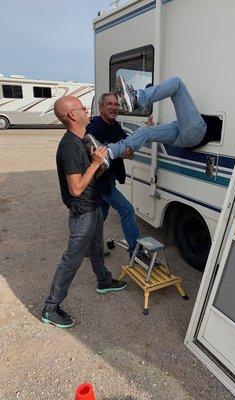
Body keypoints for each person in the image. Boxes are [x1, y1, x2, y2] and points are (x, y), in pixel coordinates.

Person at [41, 96, 127, 329]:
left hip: (95, 204)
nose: (86, 109)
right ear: (72, 115)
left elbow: (93, 176)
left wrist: (99, 165)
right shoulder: (69, 146)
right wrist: (94, 164)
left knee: (97, 246)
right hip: (83, 211)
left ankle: (104, 280)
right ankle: (50, 307)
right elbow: (76, 188)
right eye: (81, 107)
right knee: (72, 258)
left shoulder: (83, 139)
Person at [86, 93, 147, 260]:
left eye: (116, 104)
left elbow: (127, 145)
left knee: (102, 214)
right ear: (101, 107)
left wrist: (143, 134)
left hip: (110, 178)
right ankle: (136, 253)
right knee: (127, 210)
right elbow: (94, 156)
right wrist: (119, 152)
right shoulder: (94, 127)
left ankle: (87, 247)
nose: (114, 107)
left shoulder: (115, 126)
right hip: (101, 181)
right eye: (110, 104)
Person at [104, 76, 208, 159]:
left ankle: (136, 99)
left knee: (177, 84)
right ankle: (109, 152)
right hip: (182, 135)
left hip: (196, 134)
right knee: (145, 131)